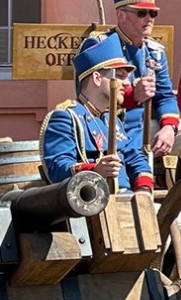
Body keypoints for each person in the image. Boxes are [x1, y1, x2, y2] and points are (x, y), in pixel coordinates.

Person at [80, 0, 181, 180]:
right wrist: (133, 96)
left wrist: (169, 127)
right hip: (107, 128)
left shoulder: (155, 51)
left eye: (153, 13)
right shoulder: (99, 46)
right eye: (141, 13)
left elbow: (165, 96)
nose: (149, 19)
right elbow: (88, 97)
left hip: (142, 128)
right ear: (121, 15)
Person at [41, 34, 154, 192]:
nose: (127, 83)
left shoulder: (113, 120)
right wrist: (95, 170)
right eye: (120, 76)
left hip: (125, 201)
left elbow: (135, 158)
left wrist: (143, 189)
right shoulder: (66, 118)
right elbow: (57, 168)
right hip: (91, 205)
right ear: (97, 78)